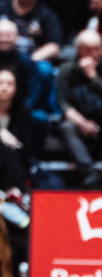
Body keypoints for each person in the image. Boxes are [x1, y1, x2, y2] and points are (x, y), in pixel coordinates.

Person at [56, 30, 102, 187]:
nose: (94, 54)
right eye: (88, 49)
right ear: (79, 50)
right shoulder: (66, 70)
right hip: (78, 121)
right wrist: (82, 122)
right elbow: (63, 102)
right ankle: (89, 171)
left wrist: (93, 77)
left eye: (97, 49)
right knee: (66, 127)